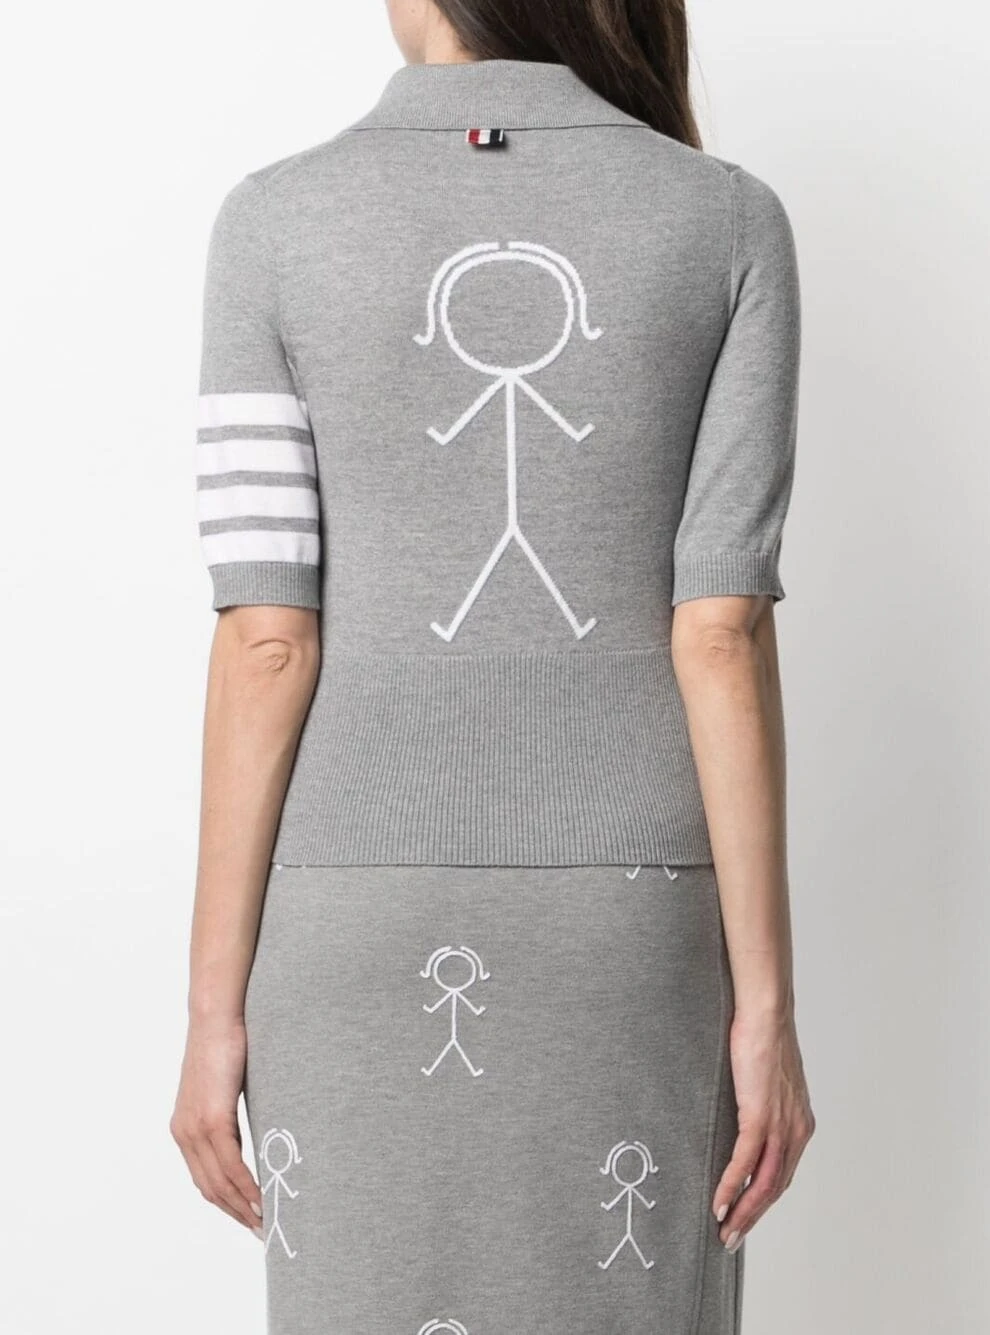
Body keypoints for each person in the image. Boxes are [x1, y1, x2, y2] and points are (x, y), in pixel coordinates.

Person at [170, 1, 817, 1330]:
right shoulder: (728, 222)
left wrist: (211, 1011)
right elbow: (720, 629)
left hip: (345, 915)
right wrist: (764, 1011)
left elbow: (266, 637)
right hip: (631, 916)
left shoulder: (273, 223)